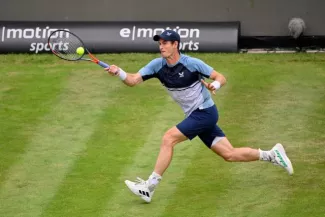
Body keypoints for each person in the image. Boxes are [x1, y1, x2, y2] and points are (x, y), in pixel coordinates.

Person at [105, 30, 294, 203]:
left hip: (205, 113)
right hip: (196, 115)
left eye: (165, 43)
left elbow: (220, 77)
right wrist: (119, 72)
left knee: (168, 138)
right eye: (159, 43)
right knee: (229, 154)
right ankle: (271, 154)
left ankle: (149, 187)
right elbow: (133, 80)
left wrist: (215, 86)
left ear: (176, 45)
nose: (161, 46)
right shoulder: (156, 65)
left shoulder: (192, 63)